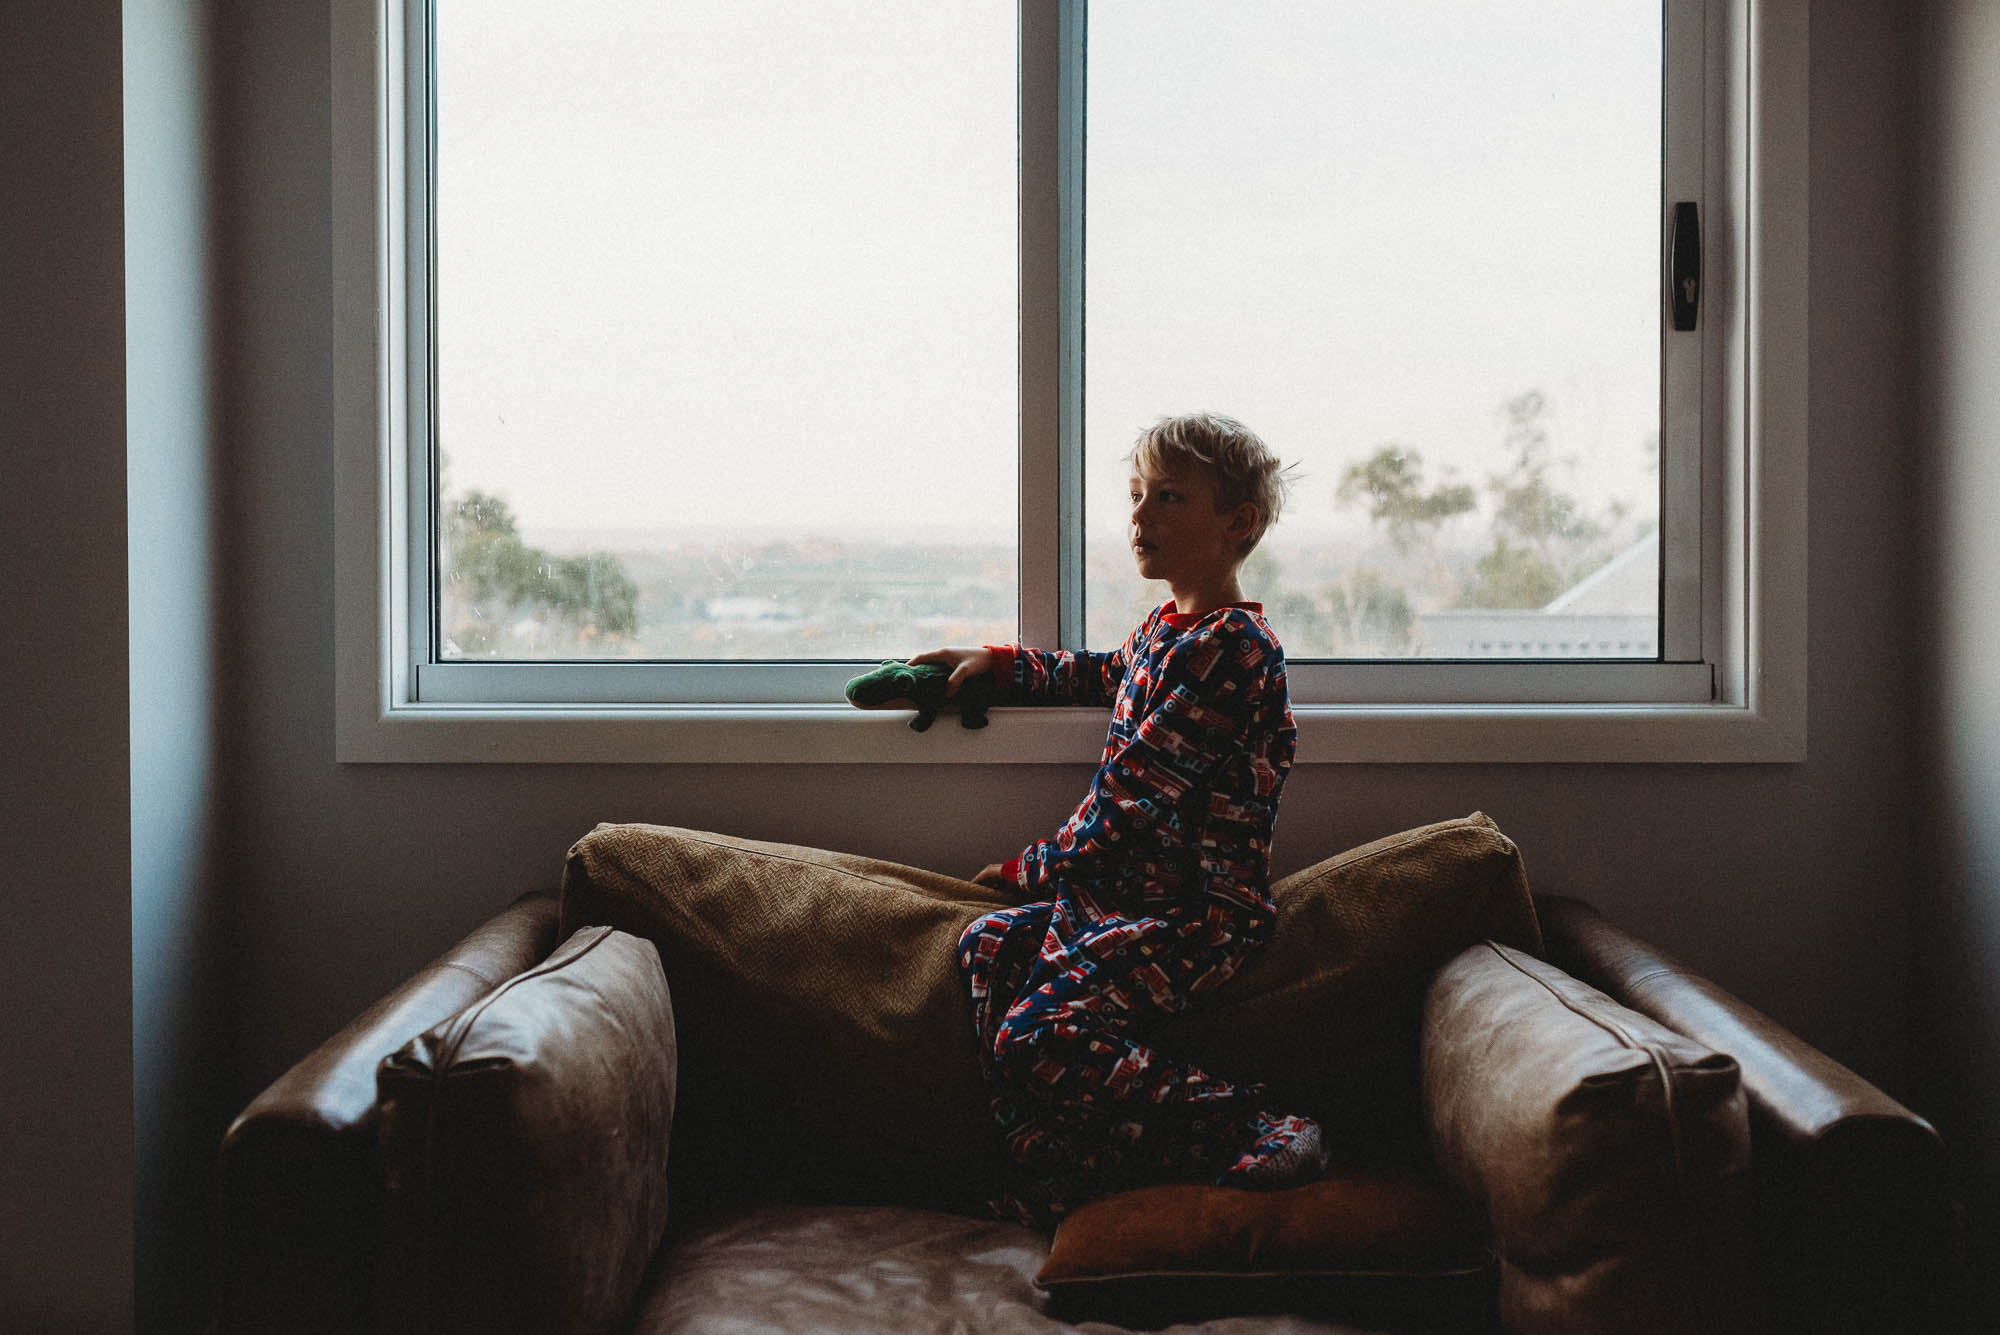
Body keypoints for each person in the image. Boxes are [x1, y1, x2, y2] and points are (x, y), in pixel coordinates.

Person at [911, 411, 1322, 1230]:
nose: (1138, 517)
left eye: (1167, 498)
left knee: (1038, 1034)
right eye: (1136, 495)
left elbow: (1133, 796)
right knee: (984, 944)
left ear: (1236, 523)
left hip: (1193, 915)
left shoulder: (1235, 647)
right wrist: (998, 665)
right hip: (1123, 903)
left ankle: (1252, 1122)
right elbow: (1097, 672)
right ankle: (1057, 1166)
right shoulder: (1168, 631)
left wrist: (1034, 867)